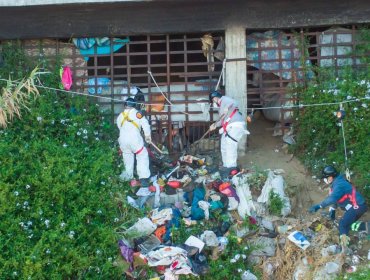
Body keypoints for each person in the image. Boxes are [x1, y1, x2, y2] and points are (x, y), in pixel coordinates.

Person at [309, 165, 368, 253]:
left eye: (326, 178)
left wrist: (318, 206)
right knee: (347, 225)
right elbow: (336, 199)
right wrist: (332, 211)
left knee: (342, 224)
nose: (325, 180)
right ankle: (366, 226)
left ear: (331, 177)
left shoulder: (339, 184)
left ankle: (344, 249)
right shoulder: (336, 183)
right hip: (358, 206)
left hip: (357, 206)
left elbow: (332, 198)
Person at [209, 91, 249, 176]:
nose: (214, 102)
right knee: (224, 145)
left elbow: (234, 102)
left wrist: (227, 107)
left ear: (215, 98)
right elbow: (222, 120)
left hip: (236, 125)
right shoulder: (221, 108)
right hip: (228, 127)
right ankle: (226, 166)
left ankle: (231, 168)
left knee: (230, 145)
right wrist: (214, 125)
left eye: (213, 100)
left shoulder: (224, 100)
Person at [117, 97, 152, 188]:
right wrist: (147, 136)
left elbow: (119, 127)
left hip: (123, 140)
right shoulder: (138, 114)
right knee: (142, 155)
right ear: (135, 105)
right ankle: (143, 178)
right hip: (134, 139)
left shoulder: (120, 116)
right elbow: (145, 125)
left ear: (125, 105)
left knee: (127, 157)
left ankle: (128, 178)